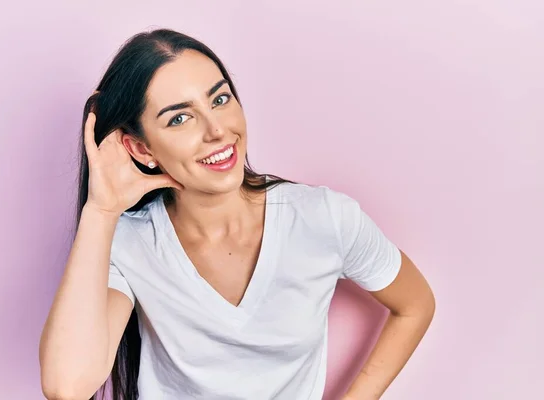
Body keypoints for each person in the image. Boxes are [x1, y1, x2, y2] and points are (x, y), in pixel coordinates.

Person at [38, 28, 436, 400]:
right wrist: (102, 210)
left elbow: (416, 304)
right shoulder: (129, 240)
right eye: (180, 118)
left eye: (220, 99)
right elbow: (68, 386)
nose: (217, 130)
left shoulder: (324, 218)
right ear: (142, 150)